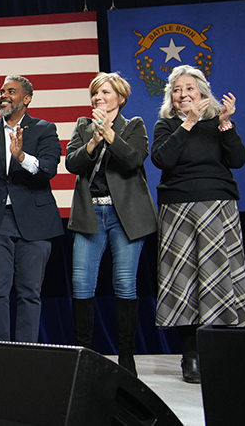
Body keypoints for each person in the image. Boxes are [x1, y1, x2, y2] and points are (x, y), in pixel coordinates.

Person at [151, 64, 245, 383]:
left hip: (218, 205)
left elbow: (237, 160)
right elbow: (162, 159)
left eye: (189, 88)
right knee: (184, 285)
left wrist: (226, 126)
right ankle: (190, 357)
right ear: (171, 97)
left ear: (203, 92)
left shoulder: (217, 124)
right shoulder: (166, 126)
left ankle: (220, 355)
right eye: (177, 90)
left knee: (218, 282)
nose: (183, 94)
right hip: (178, 209)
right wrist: (188, 124)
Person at [65, 72, 157, 376]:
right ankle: (85, 354)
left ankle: (126, 357)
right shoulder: (83, 126)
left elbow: (133, 160)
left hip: (125, 217)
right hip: (91, 214)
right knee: (81, 283)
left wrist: (110, 136)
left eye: (104, 92)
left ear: (119, 97)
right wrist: (93, 140)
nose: (98, 98)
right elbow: (72, 164)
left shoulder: (134, 126)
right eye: (94, 93)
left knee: (125, 283)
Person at [0, 75, 63, 343]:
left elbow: (48, 169)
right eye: (1, 91)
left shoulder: (45, 129)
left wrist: (21, 157)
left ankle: (26, 355)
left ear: (26, 99)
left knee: (30, 291)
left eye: (11, 91)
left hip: (35, 221)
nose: (4, 95)